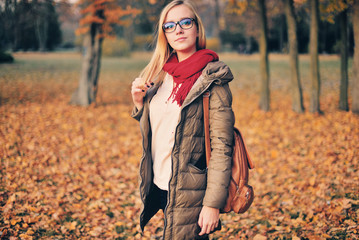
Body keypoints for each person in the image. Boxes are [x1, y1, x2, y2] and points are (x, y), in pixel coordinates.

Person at [131, 0, 235, 239]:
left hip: (192, 191)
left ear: (197, 28)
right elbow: (164, 128)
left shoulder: (213, 79)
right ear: (164, 35)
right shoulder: (161, 75)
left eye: (185, 22)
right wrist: (140, 105)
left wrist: (212, 205)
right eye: (169, 26)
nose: (178, 29)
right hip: (161, 182)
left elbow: (222, 147)